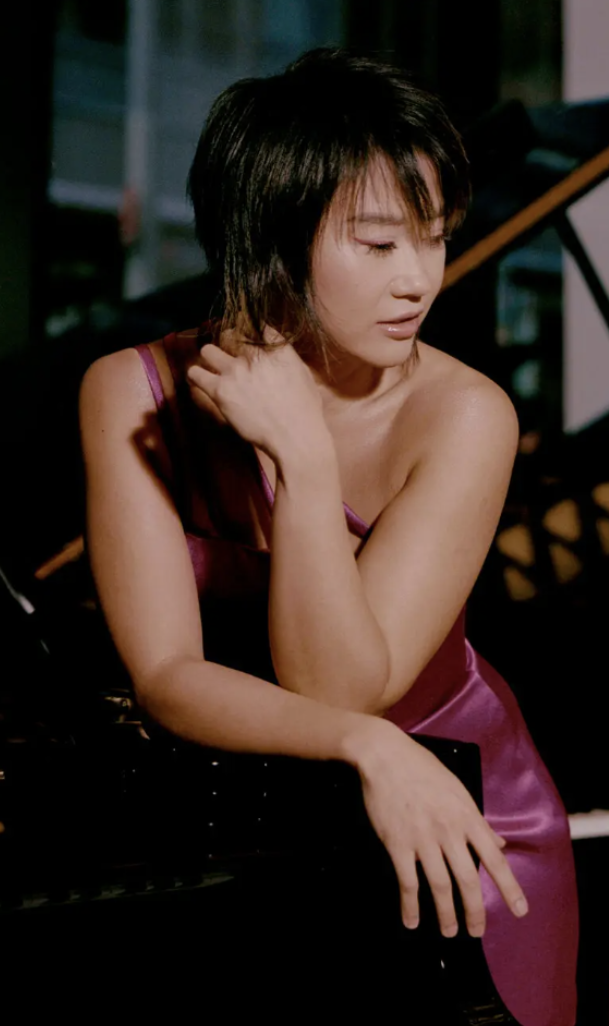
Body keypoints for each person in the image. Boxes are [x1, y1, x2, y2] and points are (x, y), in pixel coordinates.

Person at [79, 49, 578, 1025]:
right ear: (273, 233)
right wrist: (363, 746)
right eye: (380, 244)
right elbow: (167, 676)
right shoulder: (128, 393)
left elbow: (342, 682)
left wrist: (303, 466)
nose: (419, 280)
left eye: (435, 239)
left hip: (462, 830)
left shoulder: (465, 413)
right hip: (258, 829)